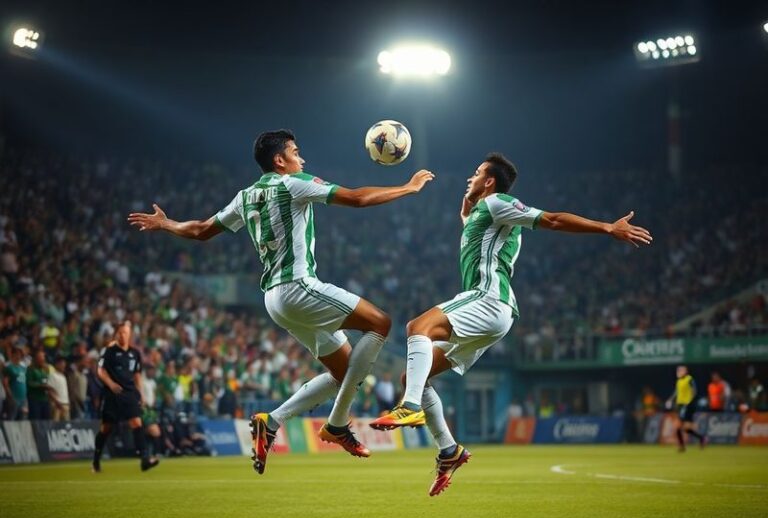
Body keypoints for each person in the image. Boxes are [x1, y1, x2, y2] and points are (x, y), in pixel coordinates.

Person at [128, 129, 434, 474]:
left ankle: (271, 422)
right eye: (296, 152)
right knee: (380, 322)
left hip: (274, 300)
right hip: (298, 286)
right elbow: (358, 198)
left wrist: (167, 223)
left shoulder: (246, 196)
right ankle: (337, 424)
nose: (301, 159)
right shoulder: (293, 183)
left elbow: (200, 230)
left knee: (343, 371)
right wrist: (407, 188)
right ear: (280, 160)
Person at [369, 153, 653, 495]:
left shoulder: (499, 203)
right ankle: (448, 450)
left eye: (476, 174)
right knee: (413, 375)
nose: (469, 178)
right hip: (492, 312)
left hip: (490, 300)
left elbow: (553, 219)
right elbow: (481, 240)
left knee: (417, 327)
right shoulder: (483, 215)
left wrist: (607, 227)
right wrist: (465, 215)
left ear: (490, 182)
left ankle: (410, 408)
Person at [92, 321, 159, 472]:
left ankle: (144, 459)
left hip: (129, 393)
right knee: (106, 428)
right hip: (112, 393)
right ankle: (96, 460)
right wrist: (110, 383)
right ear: (116, 334)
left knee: (137, 422)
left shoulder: (135, 353)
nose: (123, 335)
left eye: (126, 333)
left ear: (130, 335)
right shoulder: (108, 351)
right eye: (120, 332)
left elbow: (137, 375)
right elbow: (100, 371)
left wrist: (140, 393)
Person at [666, 365, 706, 451]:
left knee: (678, 426)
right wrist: (670, 399)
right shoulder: (679, 381)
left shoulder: (689, 379)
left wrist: (690, 401)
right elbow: (676, 392)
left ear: (685, 371)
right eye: (678, 370)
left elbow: (694, 391)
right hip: (680, 405)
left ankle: (682, 446)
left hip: (687, 405)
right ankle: (701, 438)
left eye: (680, 370)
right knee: (685, 428)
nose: (678, 372)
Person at [3, 347, 28, 420]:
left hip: (23, 397)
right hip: (14, 397)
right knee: (11, 417)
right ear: (12, 354)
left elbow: (22, 381)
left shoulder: (23, 367)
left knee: (22, 418)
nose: (19, 356)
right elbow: (5, 383)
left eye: (20, 354)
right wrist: (10, 396)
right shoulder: (9, 367)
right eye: (17, 354)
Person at [26, 349, 51, 420]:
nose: (42, 360)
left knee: (46, 420)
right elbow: (29, 383)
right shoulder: (30, 369)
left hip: (45, 399)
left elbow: (46, 381)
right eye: (40, 358)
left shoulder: (45, 370)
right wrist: (40, 385)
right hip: (34, 399)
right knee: (36, 420)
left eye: (43, 358)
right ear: (36, 359)